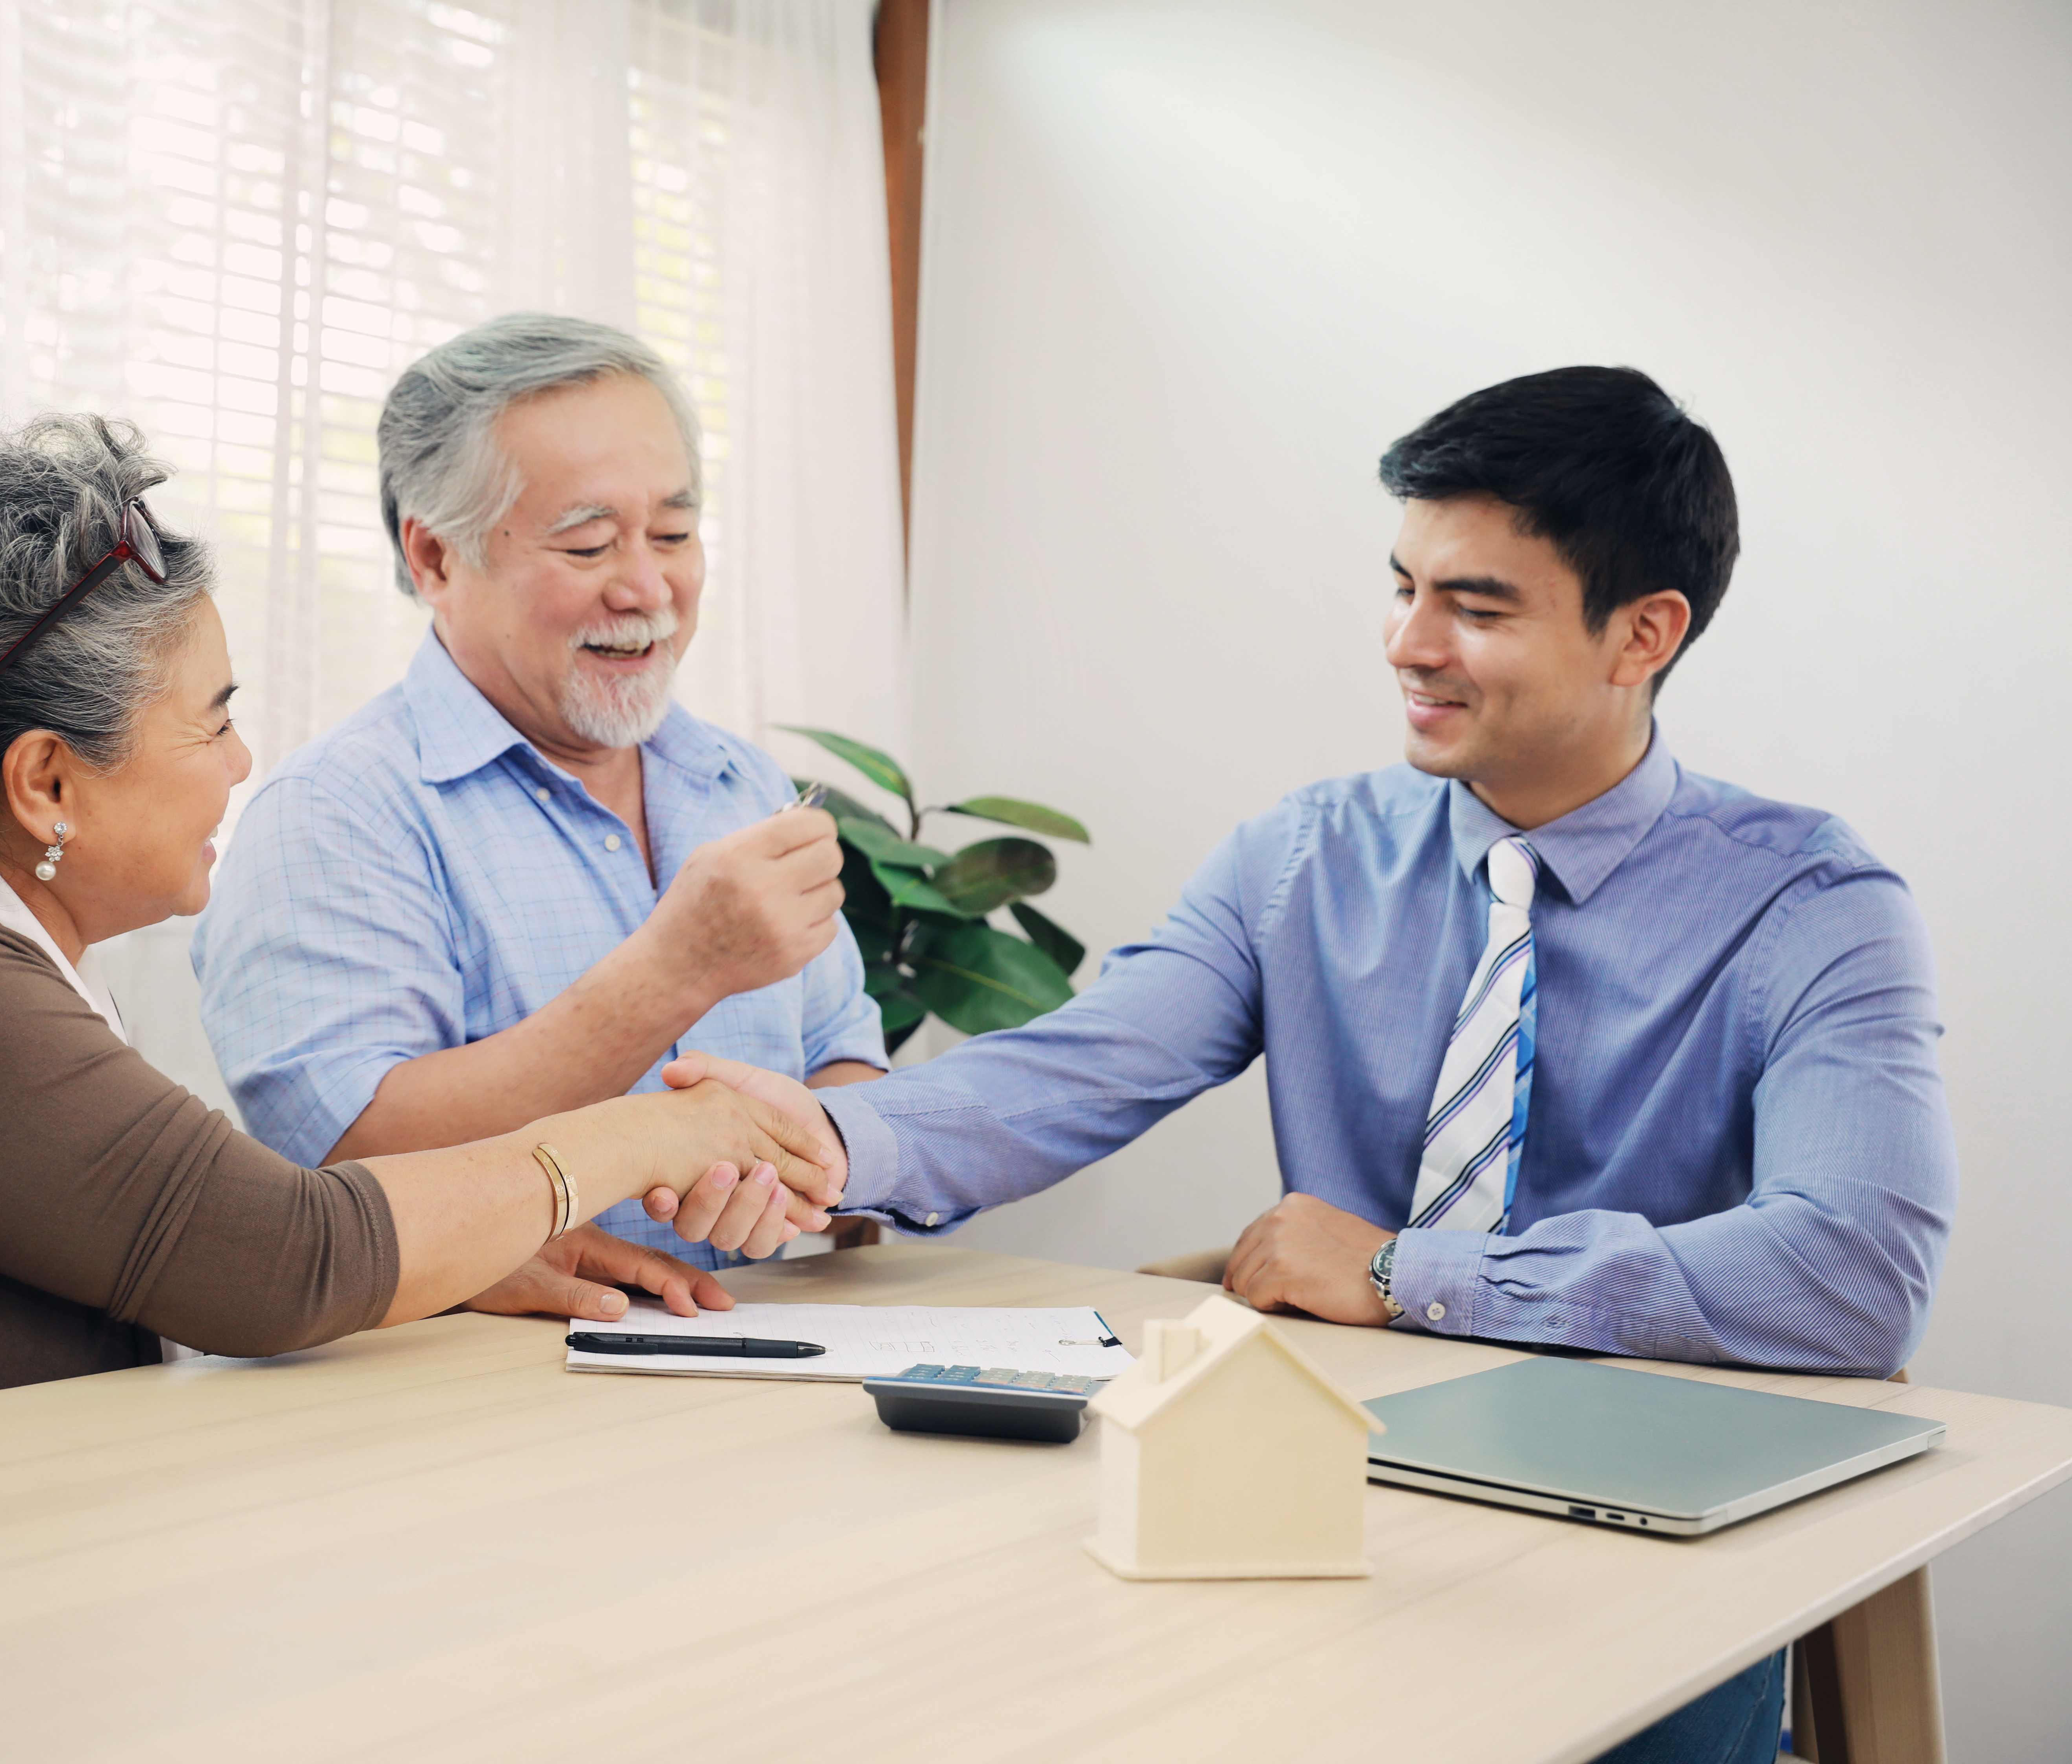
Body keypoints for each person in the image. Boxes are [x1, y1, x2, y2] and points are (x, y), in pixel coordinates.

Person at [663, 367, 1959, 1764]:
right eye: (1401, 586)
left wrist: (1407, 1274)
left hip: (1647, 1539)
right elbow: (1083, 1065)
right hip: (1317, 1492)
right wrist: (830, 1142)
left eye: (1475, 606)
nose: (1409, 643)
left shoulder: (1813, 904)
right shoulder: (1305, 857)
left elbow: (1853, 1273)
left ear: (1643, 633)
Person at [0, 417, 829, 1469]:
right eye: (212, 721)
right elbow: (278, 1261)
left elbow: (188, 1237)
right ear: (45, 786)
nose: (242, 762)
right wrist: (648, 1135)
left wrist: (444, 1266)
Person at [193, 314, 886, 1321]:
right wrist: (675, 969)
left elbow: (844, 1059)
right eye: (589, 541)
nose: (648, 586)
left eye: (676, 534)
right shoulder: (332, 815)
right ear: (434, 557)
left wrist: (810, 1169)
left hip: (782, 1358)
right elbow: (353, 1169)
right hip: (489, 1408)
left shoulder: (742, 784)